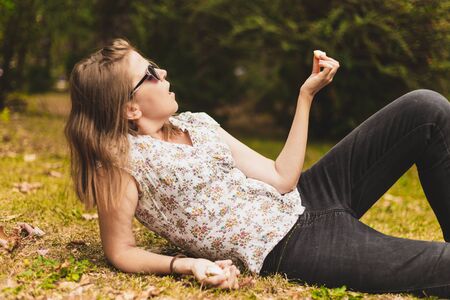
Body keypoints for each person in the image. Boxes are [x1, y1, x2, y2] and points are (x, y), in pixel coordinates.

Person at [65, 38, 450, 297]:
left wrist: (305, 96)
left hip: (308, 196)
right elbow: (120, 251)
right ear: (130, 107)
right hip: (291, 247)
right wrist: (184, 265)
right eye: (149, 73)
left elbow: (282, 177)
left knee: (426, 108)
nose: (162, 73)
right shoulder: (121, 163)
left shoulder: (199, 123)